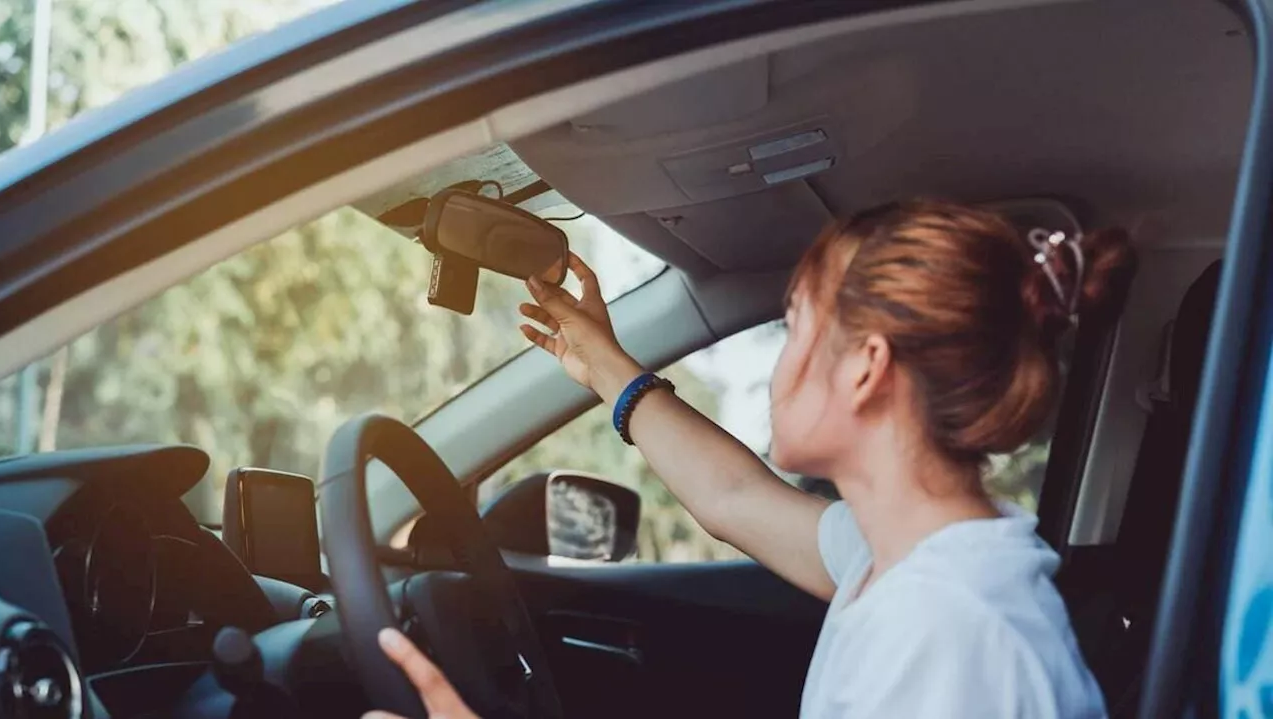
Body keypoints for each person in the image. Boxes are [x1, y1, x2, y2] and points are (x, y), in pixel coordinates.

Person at [365, 199, 1136, 719]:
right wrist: (602, 362)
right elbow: (732, 496)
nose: (780, 362)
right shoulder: (901, 560)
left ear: (866, 367)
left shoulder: (949, 633)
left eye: (794, 324)